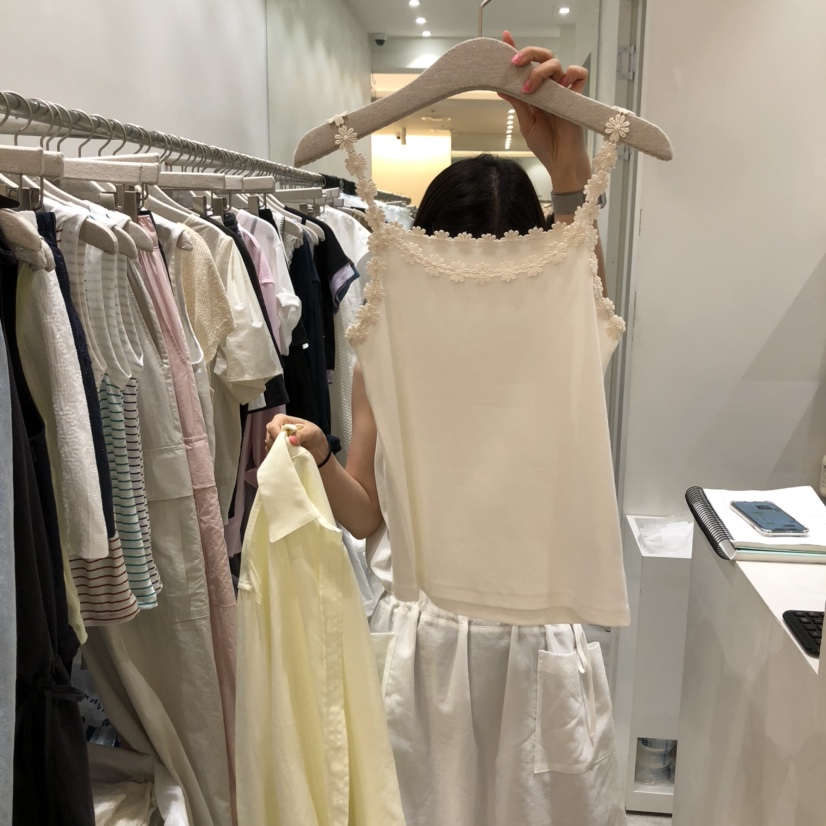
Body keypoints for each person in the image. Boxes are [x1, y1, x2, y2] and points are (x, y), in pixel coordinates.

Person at [266, 32, 626, 826]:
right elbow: (368, 515)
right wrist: (322, 456)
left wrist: (569, 167)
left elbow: (576, 279)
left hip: (536, 642)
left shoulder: (555, 334)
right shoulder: (394, 341)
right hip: (426, 650)